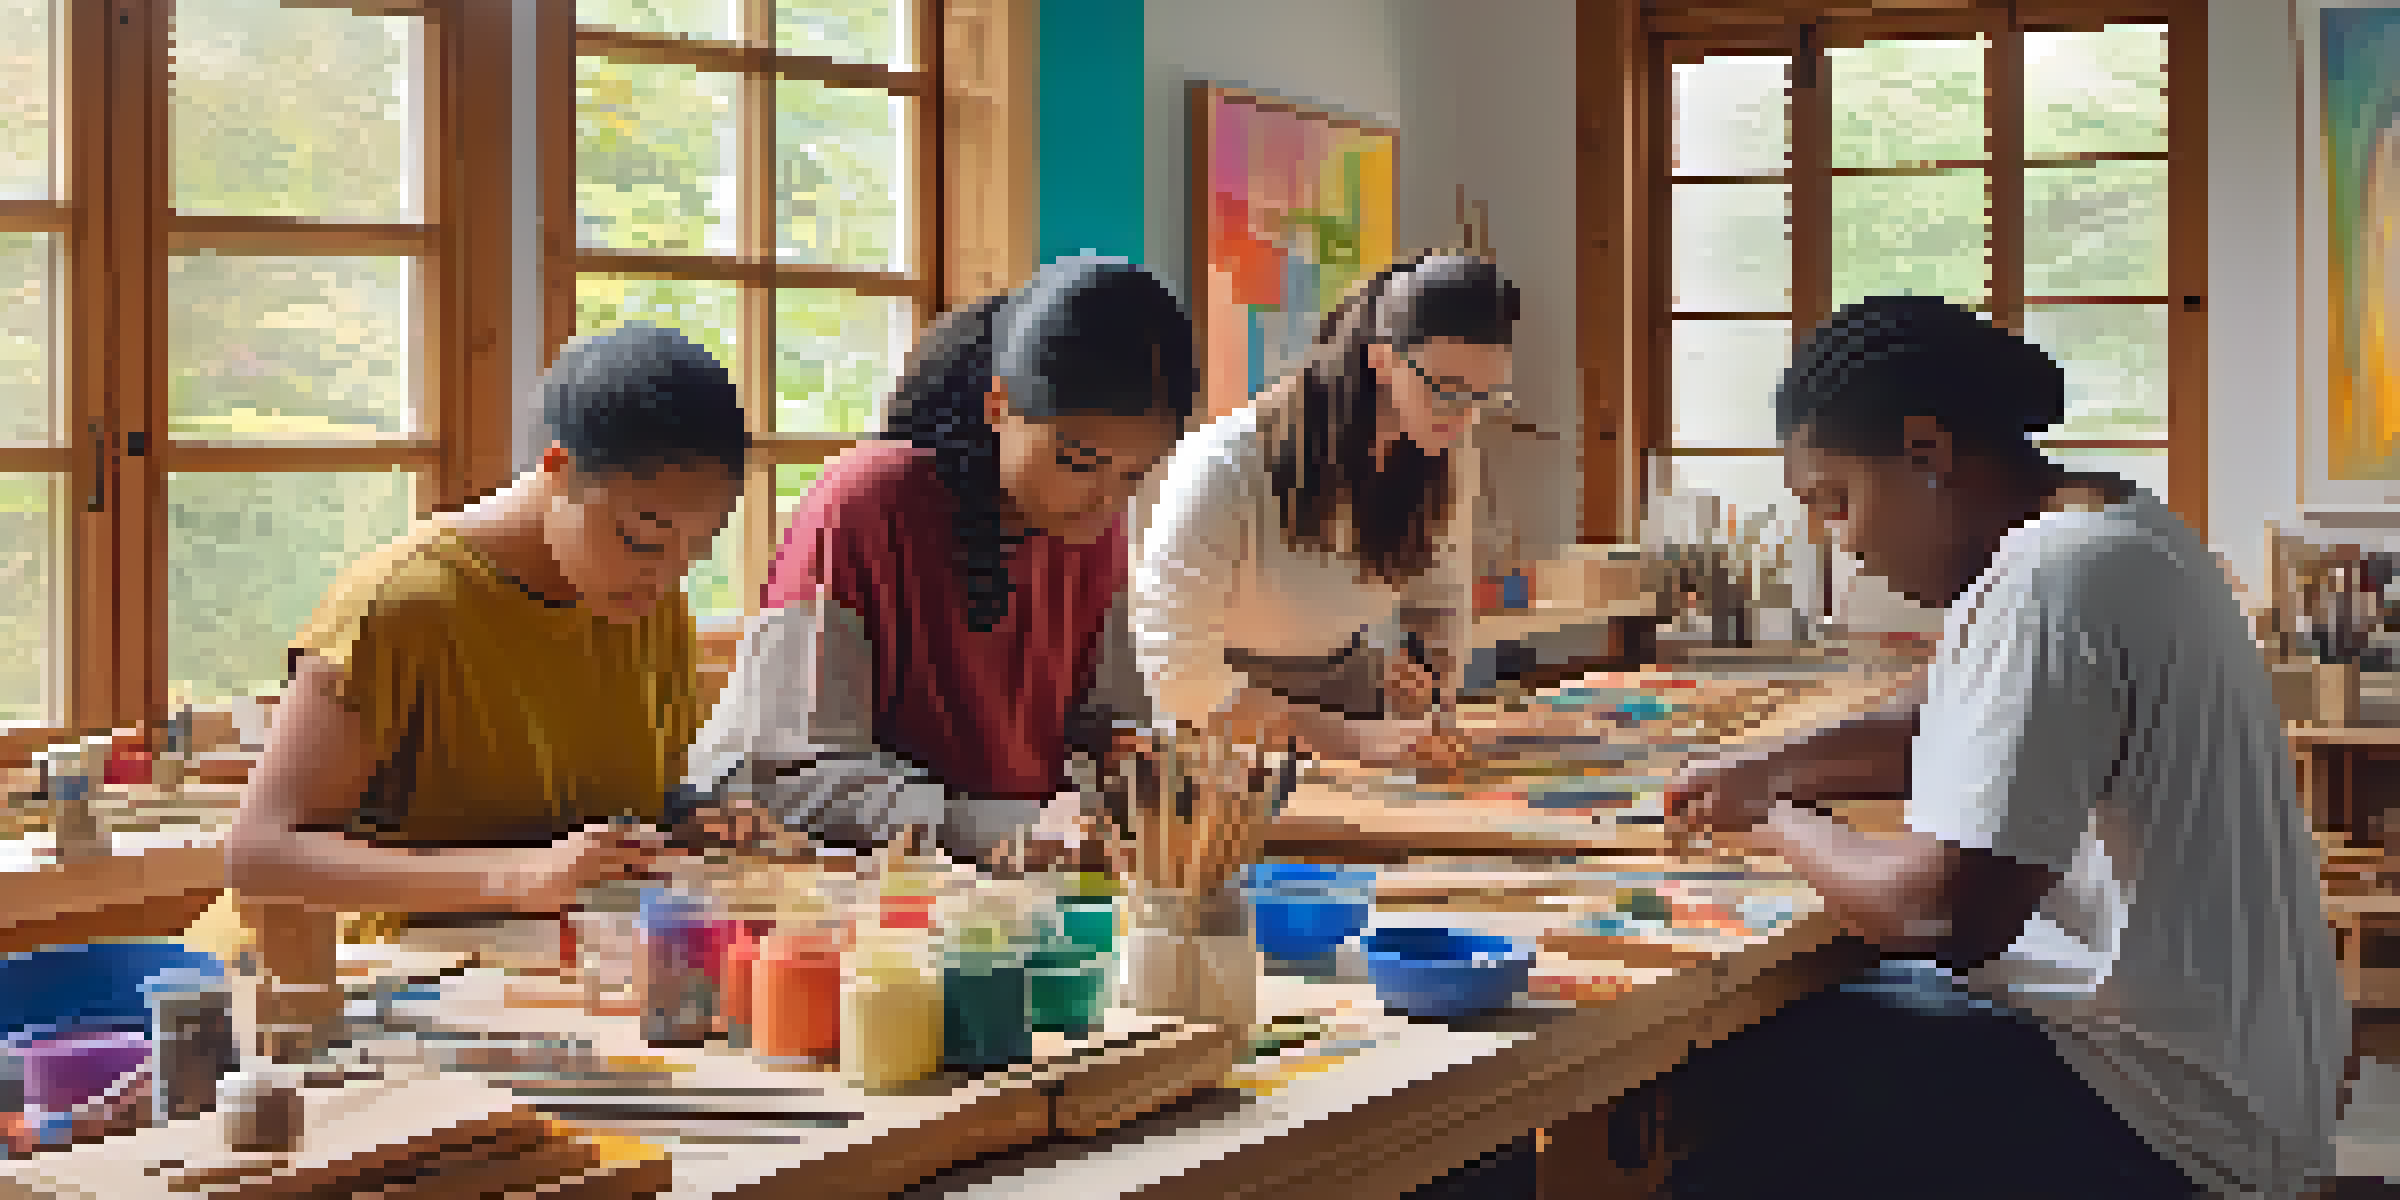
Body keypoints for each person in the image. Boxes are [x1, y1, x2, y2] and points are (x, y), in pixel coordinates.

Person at [1658, 295, 2344, 1199]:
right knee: (1793, 1043)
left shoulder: (2050, 582)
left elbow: (1940, 916)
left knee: (1717, 1065)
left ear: (1925, 453)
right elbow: (1937, 723)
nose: (1845, 544)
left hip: (2163, 1118)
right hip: (2237, 1083)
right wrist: (1770, 766)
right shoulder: (2125, 531)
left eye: (1838, 502)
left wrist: (1784, 817)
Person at [225, 322, 745, 958]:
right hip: (354, 986)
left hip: (532, 973)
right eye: (642, 539)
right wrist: (521, 877)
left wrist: (693, 821)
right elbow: (260, 857)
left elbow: (608, 803)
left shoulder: (650, 606)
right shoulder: (402, 604)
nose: (665, 577)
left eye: (696, 549)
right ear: (557, 471)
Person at [683, 255, 1193, 865]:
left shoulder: (1094, 529)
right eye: (1079, 462)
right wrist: (998, 826)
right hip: (828, 892)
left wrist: (1129, 768)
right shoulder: (865, 501)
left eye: (1135, 475)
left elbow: (1106, 728)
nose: (1107, 501)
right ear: (998, 405)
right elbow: (787, 781)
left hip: (1002, 895)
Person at [1131, 250, 1518, 768]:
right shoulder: (1230, 461)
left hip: (1343, 688)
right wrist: (1351, 741)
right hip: (1219, 712)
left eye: (1484, 396)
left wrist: (1428, 685)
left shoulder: (1441, 448)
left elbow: (1440, 596)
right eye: (1447, 390)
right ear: (1380, 360)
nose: (1466, 417)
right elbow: (1174, 668)